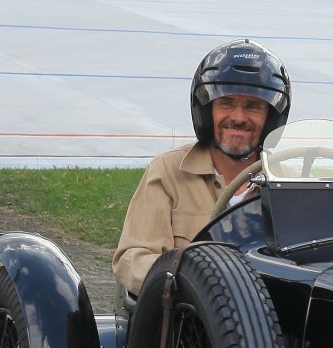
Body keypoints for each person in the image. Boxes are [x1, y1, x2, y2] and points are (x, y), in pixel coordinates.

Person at [112, 42, 292, 296]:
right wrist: (198, 281)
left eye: (253, 106)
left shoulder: (288, 184)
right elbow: (133, 260)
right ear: (207, 111)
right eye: (226, 103)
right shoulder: (168, 172)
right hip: (186, 315)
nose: (238, 117)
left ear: (271, 117)